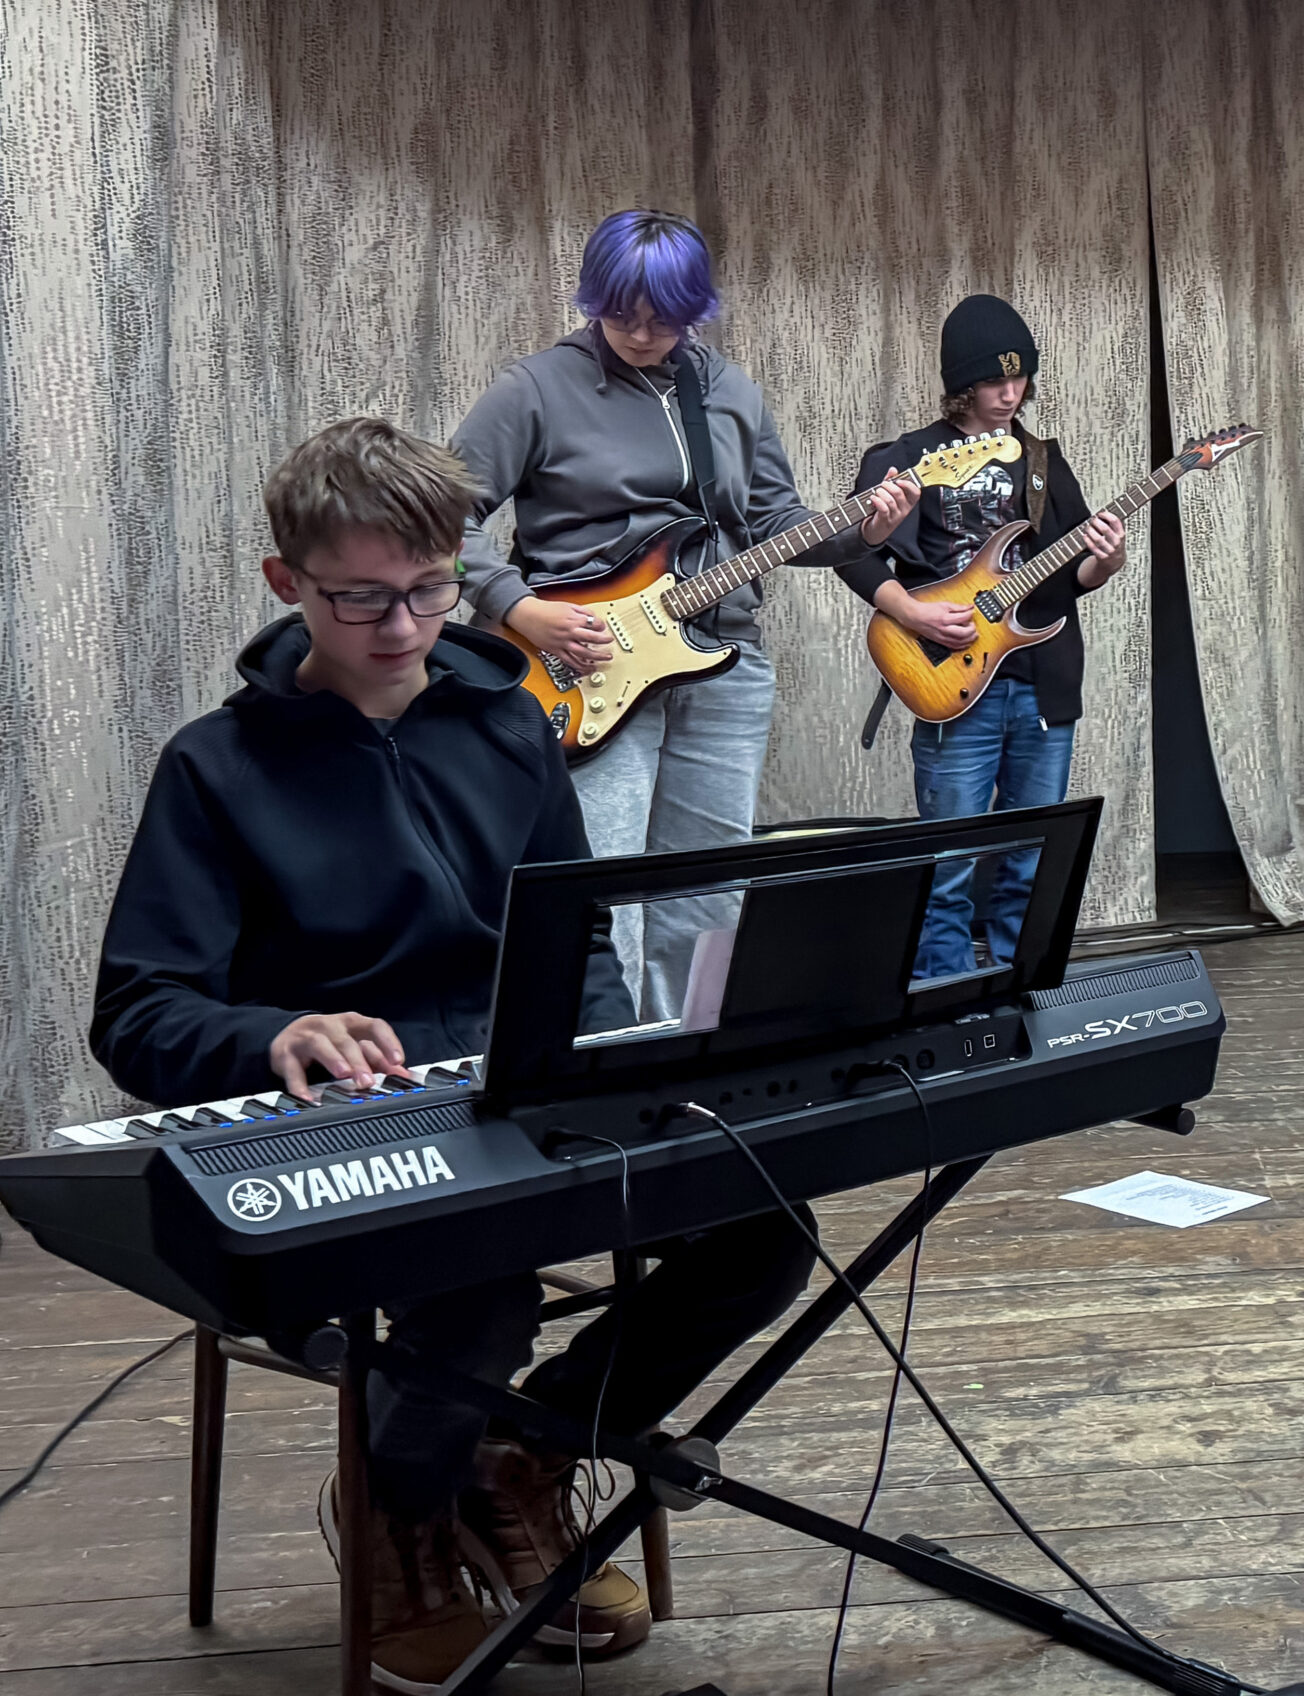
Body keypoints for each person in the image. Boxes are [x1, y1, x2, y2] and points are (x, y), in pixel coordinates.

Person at [90, 419, 817, 1694]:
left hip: (520, 1095)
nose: (403, 627)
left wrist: (609, 1054)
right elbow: (138, 1012)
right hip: (341, 1129)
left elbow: (574, 933)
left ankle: (523, 1453)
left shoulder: (508, 724)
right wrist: (272, 1033)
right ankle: (399, 1506)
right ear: (286, 582)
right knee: (477, 1286)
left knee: (766, 1230)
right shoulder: (216, 767)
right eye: (359, 598)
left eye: (430, 590)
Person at [452, 208, 919, 1019]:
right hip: (589, 662)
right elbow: (435, 521)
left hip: (723, 666)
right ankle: (600, 1066)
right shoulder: (535, 390)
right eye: (620, 313)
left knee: (706, 895)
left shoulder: (731, 392)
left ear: (695, 307)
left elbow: (776, 524)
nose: (640, 333)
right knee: (602, 890)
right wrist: (519, 609)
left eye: (663, 317)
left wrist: (863, 533)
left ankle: (680, 1062)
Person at [837, 294, 1127, 980]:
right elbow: (852, 552)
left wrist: (1106, 562)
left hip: (1041, 682)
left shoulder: (1042, 461)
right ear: (961, 385)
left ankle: (1019, 994)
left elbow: (1072, 573)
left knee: (1031, 859)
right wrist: (912, 614)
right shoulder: (907, 458)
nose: (1010, 394)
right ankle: (942, 1001)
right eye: (995, 381)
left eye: (1020, 378)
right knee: (948, 864)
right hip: (951, 677)